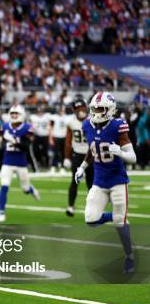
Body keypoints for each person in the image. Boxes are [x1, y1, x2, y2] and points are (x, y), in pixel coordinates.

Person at [75, 92, 137, 273]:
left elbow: (132, 157)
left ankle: (129, 256)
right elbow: (93, 148)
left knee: (120, 225)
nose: (96, 112)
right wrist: (82, 166)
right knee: (91, 219)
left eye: (100, 109)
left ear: (110, 109)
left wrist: (120, 152)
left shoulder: (118, 126)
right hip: (99, 181)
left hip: (118, 180)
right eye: (94, 108)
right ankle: (119, 217)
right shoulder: (87, 124)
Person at [0, 105, 41, 223]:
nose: (13, 116)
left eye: (16, 114)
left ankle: (31, 190)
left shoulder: (27, 128)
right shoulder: (5, 126)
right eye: (12, 113)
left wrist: (13, 140)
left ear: (22, 115)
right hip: (7, 161)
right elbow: (0, 143)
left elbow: (26, 147)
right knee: (4, 186)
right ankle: (1, 213)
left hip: (21, 163)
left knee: (25, 189)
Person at [63, 97, 93, 217]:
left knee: (91, 184)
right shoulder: (71, 122)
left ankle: (92, 208)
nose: (81, 110)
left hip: (90, 155)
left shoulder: (93, 121)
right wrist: (67, 157)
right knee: (75, 181)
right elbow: (68, 141)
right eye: (78, 108)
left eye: (82, 107)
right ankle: (70, 206)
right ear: (74, 110)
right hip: (77, 155)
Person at [49, 105, 67, 173]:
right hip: (56, 137)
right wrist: (50, 138)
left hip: (64, 137)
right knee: (55, 153)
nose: (60, 111)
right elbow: (50, 127)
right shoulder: (54, 117)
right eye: (59, 110)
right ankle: (53, 167)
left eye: (61, 110)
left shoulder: (67, 117)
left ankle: (62, 167)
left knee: (63, 153)